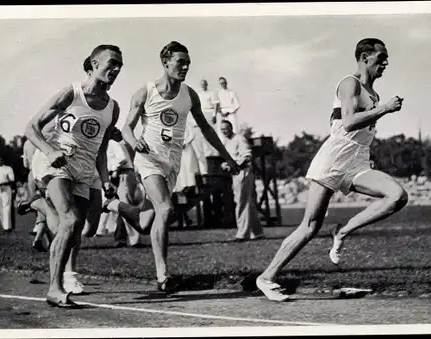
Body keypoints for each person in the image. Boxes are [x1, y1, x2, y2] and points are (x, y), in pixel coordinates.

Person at [256, 38, 408, 301]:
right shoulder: (350, 83)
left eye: (386, 58)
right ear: (364, 57)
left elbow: (351, 125)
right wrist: (384, 110)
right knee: (310, 226)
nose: (385, 63)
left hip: (358, 160)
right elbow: (348, 123)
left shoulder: (373, 94)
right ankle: (266, 277)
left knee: (397, 196)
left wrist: (377, 110)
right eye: (380, 57)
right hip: (334, 158)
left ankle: (343, 230)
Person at [120, 41, 240, 293]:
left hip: (172, 164)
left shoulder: (189, 94)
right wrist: (135, 142)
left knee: (145, 223)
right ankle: (163, 276)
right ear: (165, 62)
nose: (185, 67)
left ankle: (112, 205)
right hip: (148, 159)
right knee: (165, 209)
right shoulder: (146, 92)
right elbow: (126, 128)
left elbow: (207, 129)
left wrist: (227, 156)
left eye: (188, 63)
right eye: (180, 62)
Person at [25, 44, 123, 308]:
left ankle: (41, 206)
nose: (115, 69)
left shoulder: (112, 108)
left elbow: (102, 149)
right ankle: (54, 289)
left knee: (76, 233)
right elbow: (31, 127)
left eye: (119, 66)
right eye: (111, 63)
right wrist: (49, 149)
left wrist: (105, 179)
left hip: (85, 169)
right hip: (59, 164)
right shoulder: (71, 93)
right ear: (93, 63)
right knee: (70, 220)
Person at [220, 120, 264, 241]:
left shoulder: (239, 138)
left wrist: (235, 165)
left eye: (226, 128)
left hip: (243, 172)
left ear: (231, 128)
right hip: (236, 173)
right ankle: (257, 232)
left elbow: (247, 156)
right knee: (247, 202)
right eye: (222, 129)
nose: (224, 131)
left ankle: (242, 234)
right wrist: (226, 164)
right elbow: (232, 157)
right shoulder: (227, 142)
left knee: (241, 201)